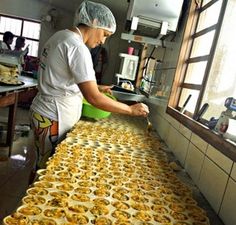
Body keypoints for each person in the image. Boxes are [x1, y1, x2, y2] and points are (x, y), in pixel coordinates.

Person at [30, 0, 149, 169]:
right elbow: (93, 98)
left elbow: (61, 77)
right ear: (94, 22)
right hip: (53, 117)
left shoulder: (60, 36)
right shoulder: (77, 47)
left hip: (44, 112)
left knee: (40, 166)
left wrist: (97, 86)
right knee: (46, 171)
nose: (103, 41)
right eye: (105, 35)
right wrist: (130, 109)